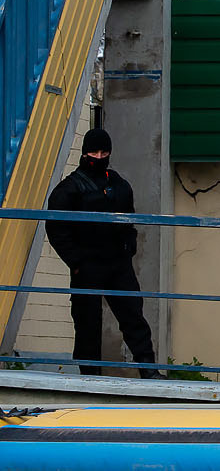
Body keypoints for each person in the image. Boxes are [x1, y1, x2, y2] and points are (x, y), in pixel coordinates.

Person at [44, 126, 154, 377]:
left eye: (104, 151)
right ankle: (90, 376)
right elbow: (56, 228)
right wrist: (76, 261)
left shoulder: (118, 184)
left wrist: (128, 248)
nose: (99, 156)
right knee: (87, 324)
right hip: (87, 265)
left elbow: (129, 220)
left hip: (117, 263)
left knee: (133, 317)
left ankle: (149, 369)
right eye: (94, 151)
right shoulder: (69, 189)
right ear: (84, 154)